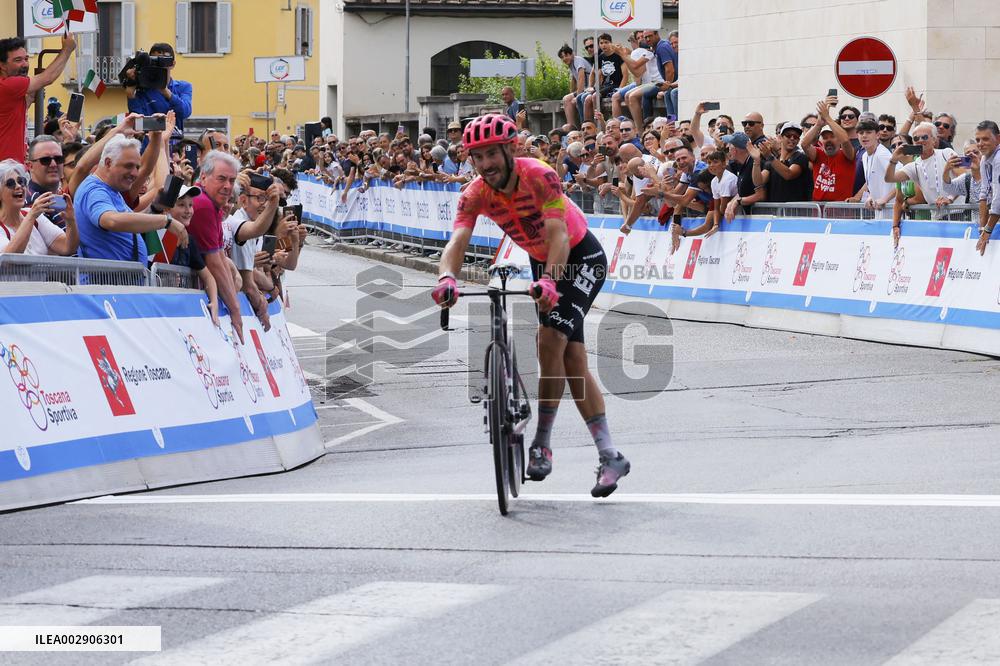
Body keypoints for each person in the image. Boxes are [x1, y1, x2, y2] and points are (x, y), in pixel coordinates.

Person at [432, 114, 628, 498]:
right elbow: (457, 240)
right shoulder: (474, 193)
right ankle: (610, 455)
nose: (485, 164)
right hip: (544, 264)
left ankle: (541, 442)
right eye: (477, 156)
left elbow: (558, 234)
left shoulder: (539, 175)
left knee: (548, 340)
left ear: (509, 149)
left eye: (491, 154)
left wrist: (552, 280)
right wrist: (446, 278)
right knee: (570, 362)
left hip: (579, 257)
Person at [75, 134, 187, 262]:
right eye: (128, 166)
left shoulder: (112, 189)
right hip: (108, 280)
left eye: (137, 167)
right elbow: (111, 220)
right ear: (108, 163)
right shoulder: (95, 190)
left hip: (122, 278)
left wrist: (154, 208)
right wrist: (165, 221)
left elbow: (129, 221)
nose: (135, 173)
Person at [189, 150, 253, 342]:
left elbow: (220, 259)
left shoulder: (212, 203)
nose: (227, 186)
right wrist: (235, 311)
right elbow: (215, 262)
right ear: (203, 177)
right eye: (221, 179)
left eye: (232, 180)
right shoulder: (202, 203)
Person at [0, 35, 76, 162]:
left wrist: (30, 96)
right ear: (2, 65)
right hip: (7, 169)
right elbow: (48, 77)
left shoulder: (11, 90)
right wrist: (67, 49)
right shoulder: (8, 85)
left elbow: (14, 114)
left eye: (26, 59)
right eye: (18, 60)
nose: (25, 64)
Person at [0, 159, 77, 255]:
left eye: (21, 181)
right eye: (11, 183)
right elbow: (9, 259)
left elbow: (67, 248)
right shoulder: (32, 214)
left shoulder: (30, 214)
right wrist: (31, 216)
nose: (19, 186)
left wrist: (71, 221)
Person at [885, 122, 958, 219]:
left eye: (924, 137)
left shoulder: (946, 153)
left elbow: (964, 178)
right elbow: (889, 178)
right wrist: (893, 160)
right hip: (937, 217)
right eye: (916, 138)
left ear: (934, 139)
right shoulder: (914, 165)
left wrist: (950, 198)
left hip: (958, 212)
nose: (920, 140)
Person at [125, 42, 193, 134]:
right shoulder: (142, 89)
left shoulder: (183, 87)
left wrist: (165, 91)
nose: (159, 66)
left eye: (163, 61)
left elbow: (185, 112)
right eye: (155, 61)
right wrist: (130, 95)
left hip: (173, 145)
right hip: (149, 145)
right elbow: (139, 124)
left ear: (173, 64)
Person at [801, 99, 856, 202]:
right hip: (819, 211)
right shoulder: (818, 154)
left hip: (840, 212)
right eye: (825, 137)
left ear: (838, 138)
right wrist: (818, 124)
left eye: (832, 136)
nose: (828, 140)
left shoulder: (847, 155)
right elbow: (804, 144)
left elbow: (844, 139)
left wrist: (828, 118)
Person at [24, 135, 67, 227]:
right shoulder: (33, 205)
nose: (53, 164)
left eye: (58, 159)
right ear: (30, 166)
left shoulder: (56, 197)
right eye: (45, 160)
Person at [975, 120, 1000, 256]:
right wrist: (982, 228)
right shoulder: (984, 159)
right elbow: (984, 193)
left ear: (998, 139)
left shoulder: (999, 158)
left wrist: (988, 230)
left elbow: (998, 198)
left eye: (985, 139)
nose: (980, 144)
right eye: (977, 139)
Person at [559, 44, 592, 129]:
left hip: (590, 87)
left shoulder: (578, 60)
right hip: (584, 89)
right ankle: (571, 127)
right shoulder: (571, 64)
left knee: (575, 100)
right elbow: (573, 79)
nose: (564, 58)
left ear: (572, 54)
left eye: (566, 55)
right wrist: (571, 93)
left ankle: (584, 126)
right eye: (562, 57)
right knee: (566, 99)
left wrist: (577, 95)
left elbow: (581, 78)